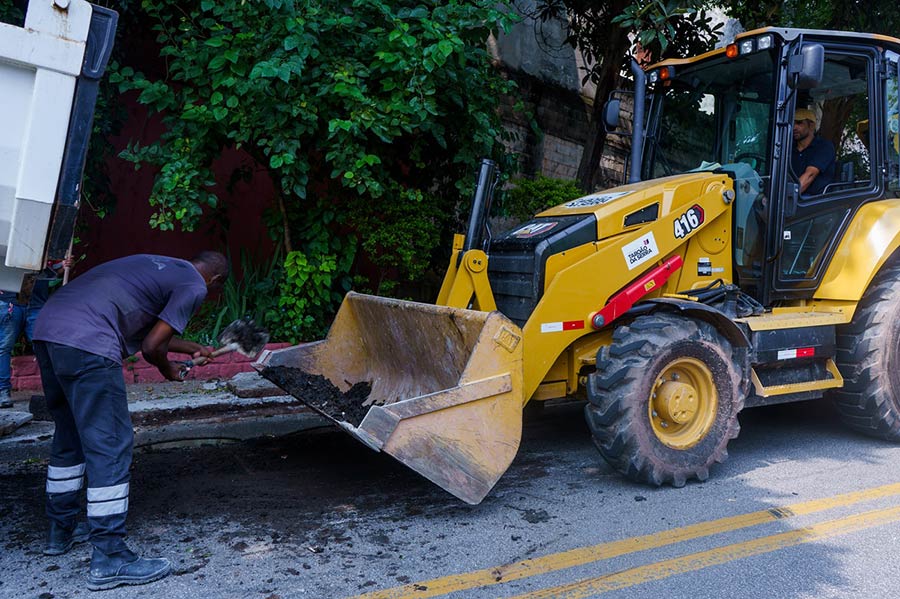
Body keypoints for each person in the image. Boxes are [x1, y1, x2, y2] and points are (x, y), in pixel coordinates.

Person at [32, 251, 228, 591]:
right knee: (109, 443)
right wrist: (168, 368)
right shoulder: (194, 286)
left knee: (70, 435)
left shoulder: (159, 268)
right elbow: (153, 347)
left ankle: (60, 529)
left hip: (50, 331)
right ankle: (109, 555)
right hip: (89, 342)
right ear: (214, 281)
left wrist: (192, 347)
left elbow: (147, 334)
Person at [0, 259, 72, 409]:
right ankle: (2, 391)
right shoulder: (8, 240)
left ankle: (58, 391)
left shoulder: (40, 243)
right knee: (3, 348)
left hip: (36, 304)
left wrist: (62, 266)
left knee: (45, 348)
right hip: (10, 303)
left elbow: (49, 270)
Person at [791, 107, 836, 195]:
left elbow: (809, 175)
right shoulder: (789, 148)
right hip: (796, 198)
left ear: (811, 125)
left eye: (799, 123)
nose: (794, 127)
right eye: (793, 123)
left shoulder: (824, 147)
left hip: (814, 200)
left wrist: (788, 197)